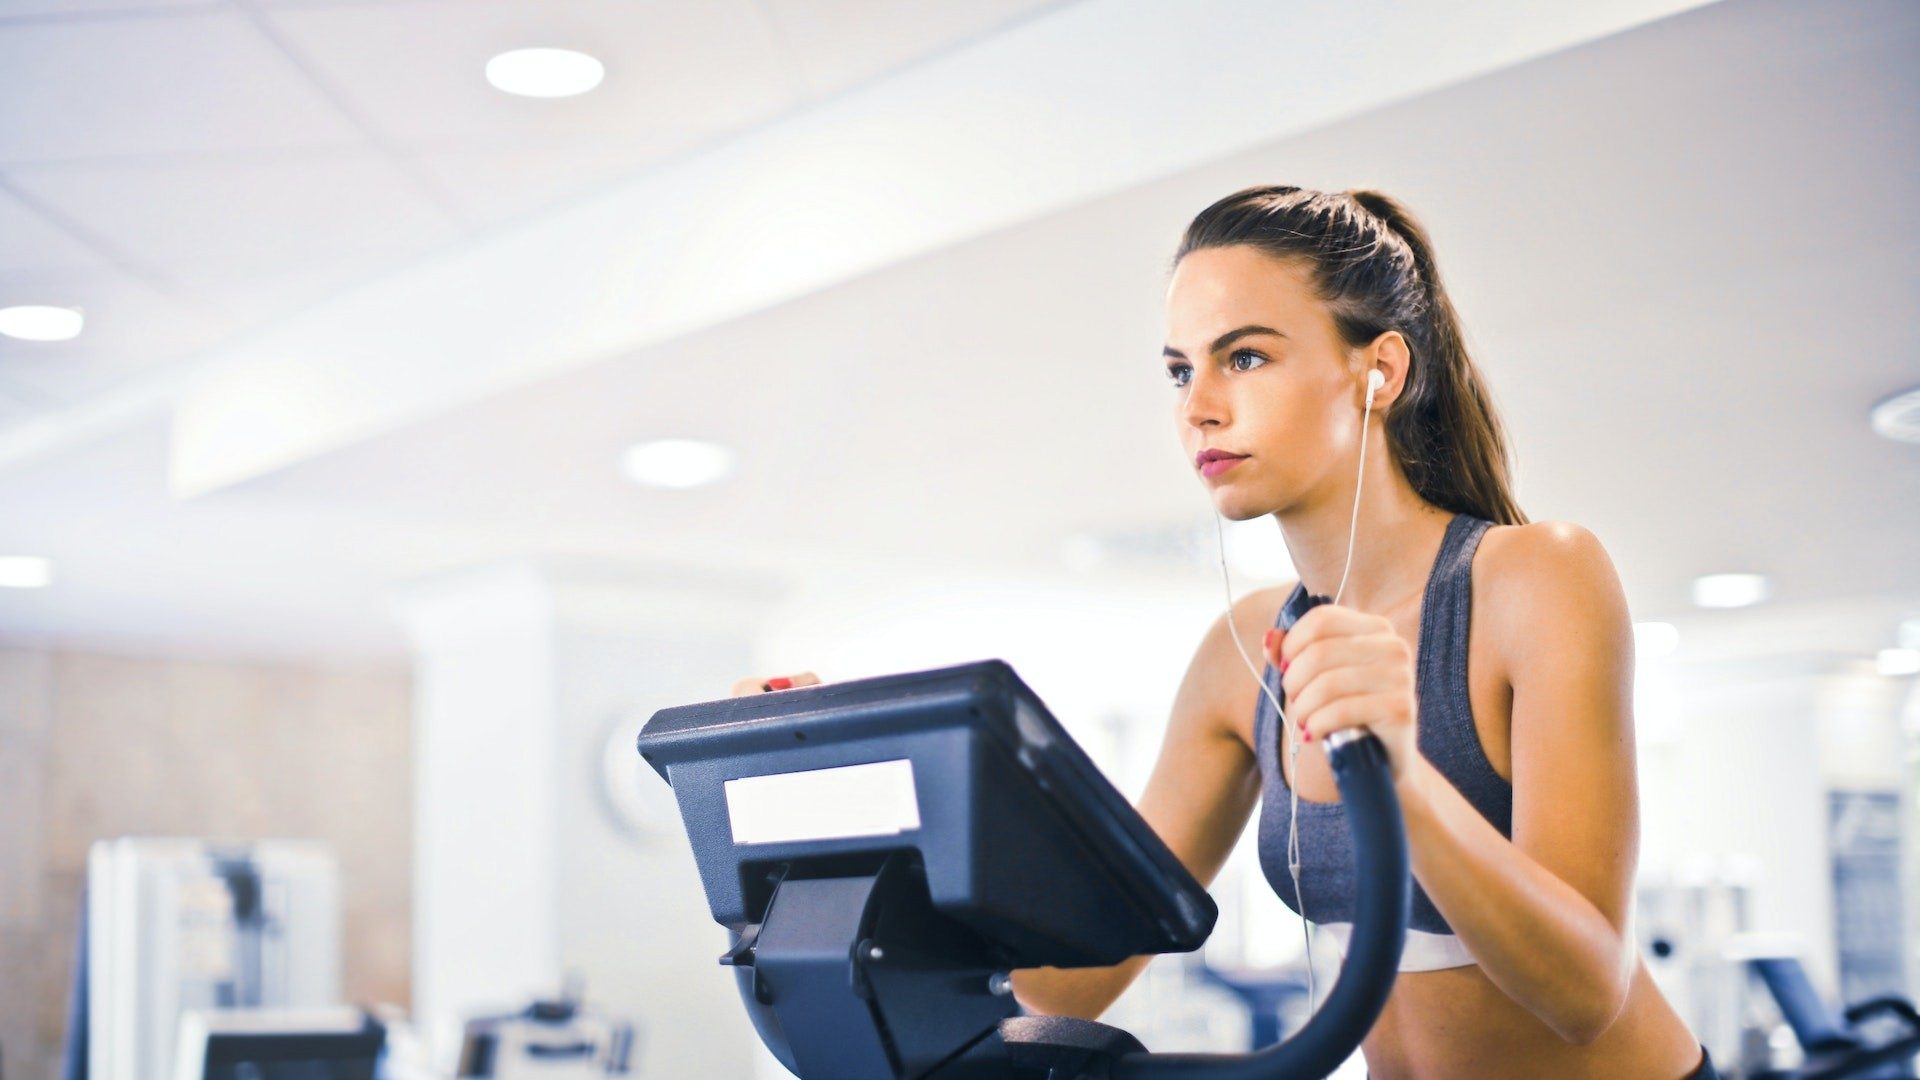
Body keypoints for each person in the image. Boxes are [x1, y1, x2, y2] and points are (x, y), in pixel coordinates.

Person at [734, 185, 1714, 1079]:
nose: (1198, 407)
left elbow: (1587, 993)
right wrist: (821, 819)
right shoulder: (1242, 653)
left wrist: (1400, 776)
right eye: (1178, 369)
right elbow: (1070, 982)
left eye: (1244, 356)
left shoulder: (1532, 578)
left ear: (1378, 371)